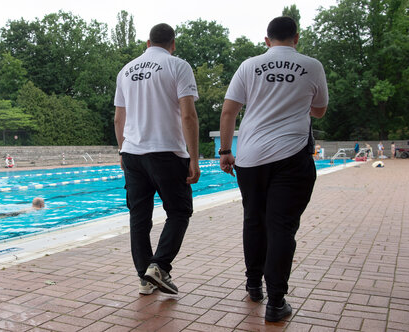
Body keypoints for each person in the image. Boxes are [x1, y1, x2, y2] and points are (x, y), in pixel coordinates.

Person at [218, 16, 328, 322]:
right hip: (291, 156)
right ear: (296, 38)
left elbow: (229, 110)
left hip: (250, 157)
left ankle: (254, 285)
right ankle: (276, 302)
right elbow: (319, 110)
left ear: (267, 41)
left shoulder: (249, 65)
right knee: (281, 225)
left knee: (254, 219)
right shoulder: (312, 65)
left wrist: (226, 150)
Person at [114, 23, 200, 296]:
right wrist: (194, 158)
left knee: (139, 218)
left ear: (147, 43)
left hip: (132, 153)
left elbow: (119, 117)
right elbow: (188, 115)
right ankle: (158, 266)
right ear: (172, 44)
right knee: (179, 211)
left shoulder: (126, 70)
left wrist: (121, 151)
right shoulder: (178, 66)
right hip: (166, 151)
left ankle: (145, 279)